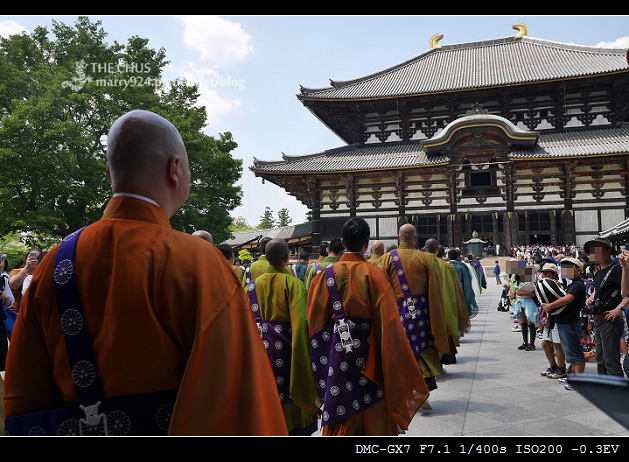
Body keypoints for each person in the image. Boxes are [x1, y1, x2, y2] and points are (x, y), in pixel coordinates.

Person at [3, 110, 287, 436]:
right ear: (175, 169)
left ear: (110, 173)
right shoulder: (199, 263)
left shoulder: (56, 263)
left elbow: (23, 395)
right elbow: (236, 398)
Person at [307, 217, 428, 435]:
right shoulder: (376, 275)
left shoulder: (322, 278)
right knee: (375, 418)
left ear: (343, 242)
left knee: (340, 414)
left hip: (337, 361)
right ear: (366, 243)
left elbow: (315, 328)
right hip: (371, 359)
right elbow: (390, 324)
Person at [245, 239, 320, 435]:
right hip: (287, 353)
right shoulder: (294, 284)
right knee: (290, 395)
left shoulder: (250, 287)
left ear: (265, 257)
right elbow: (301, 323)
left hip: (258, 352)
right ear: (287, 258)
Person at [379, 227, 449, 394]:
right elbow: (436, 291)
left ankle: (407, 389)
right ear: (416, 239)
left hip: (397, 314)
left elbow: (381, 291)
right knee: (423, 350)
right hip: (423, 314)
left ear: (398, 238)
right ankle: (424, 385)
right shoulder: (427, 259)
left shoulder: (386, 259)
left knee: (401, 351)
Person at [540, 257, 587, 389]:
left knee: (575, 352)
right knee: (571, 352)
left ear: (578, 270)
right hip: (565, 322)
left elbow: (568, 298)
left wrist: (550, 306)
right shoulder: (572, 284)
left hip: (570, 322)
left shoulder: (578, 284)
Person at [424, 238, 471, 367]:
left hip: (425, 308)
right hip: (445, 308)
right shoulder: (448, 267)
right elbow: (456, 291)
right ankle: (442, 361)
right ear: (438, 250)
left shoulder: (421, 265)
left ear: (424, 249)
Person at [585, 237, 626, 377]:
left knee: (611, 361)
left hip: (610, 320)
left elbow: (627, 292)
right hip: (599, 320)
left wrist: (619, 308)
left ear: (608, 251)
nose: (594, 253)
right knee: (600, 360)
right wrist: (591, 298)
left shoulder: (618, 270)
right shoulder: (599, 271)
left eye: (598, 249)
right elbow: (599, 288)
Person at [536, 263, 568, 380]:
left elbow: (564, 298)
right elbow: (544, 302)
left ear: (554, 273)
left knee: (557, 344)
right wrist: (544, 316)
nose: (544, 274)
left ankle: (561, 369)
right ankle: (553, 366)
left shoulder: (560, 284)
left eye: (547, 272)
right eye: (543, 272)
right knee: (545, 343)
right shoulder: (544, 284)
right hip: (551, 316)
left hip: (560, 316)